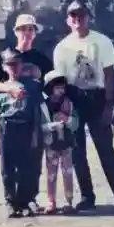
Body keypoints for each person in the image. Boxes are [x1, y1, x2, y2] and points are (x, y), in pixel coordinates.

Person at [53, 0, 114, 214]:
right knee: (78, 152)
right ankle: (87, 197)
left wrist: (109, 104)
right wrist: (63, 108)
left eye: (81, 15)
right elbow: (60, 81)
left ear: (89, 17)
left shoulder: (102, 41)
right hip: (74, 98)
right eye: (73, 15)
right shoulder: (62, 48)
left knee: (106, 151)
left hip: (97, 97)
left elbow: (109, 75)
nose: (77, 19)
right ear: (68, 20)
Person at [0, 49, 46, 218]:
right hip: (7, 128)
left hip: (26, 128)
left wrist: (36, 134)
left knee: (27, 167)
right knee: (7, 169)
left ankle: (25, 201)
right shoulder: (0, 88)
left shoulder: (31, 86)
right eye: (9, 64)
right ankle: (10, 201)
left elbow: (36, 111)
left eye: (16, 63)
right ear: (3, 67)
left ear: (22, 65)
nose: (13, 67)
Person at [41, 70, 79, 215]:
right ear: (50, 88)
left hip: (66, 144)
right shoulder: (44, 105)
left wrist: (66, 119)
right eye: (57, 87)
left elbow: (76, 124)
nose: (60, 91)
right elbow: (40, 125)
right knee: (51, 174)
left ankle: (69, 201)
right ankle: (51, 201)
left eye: (62, 87)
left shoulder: (69, 103)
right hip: (51, 144)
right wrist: (52, 126)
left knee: (68, 173)